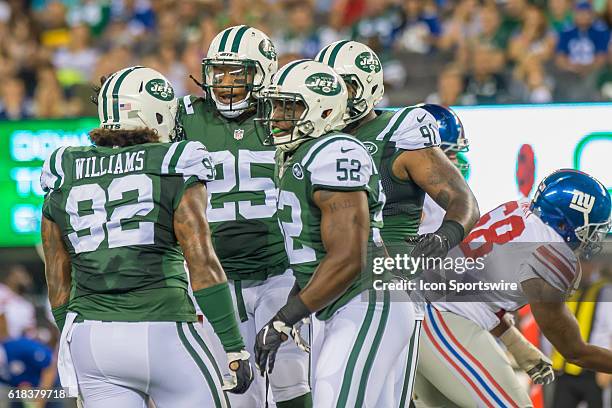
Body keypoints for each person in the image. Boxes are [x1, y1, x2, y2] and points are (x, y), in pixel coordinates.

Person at [40, 66, 252, 408]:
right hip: (161, 328)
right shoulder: (174, 160)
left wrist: (71, 340)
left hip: (91, 341)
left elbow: (57, 279)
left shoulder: (63, 166)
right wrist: (232, 345)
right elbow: (201, 261)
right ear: (154, 112)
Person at [315, 41, 480, 406]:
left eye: (347, 87)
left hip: (384, 288)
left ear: (370, 85)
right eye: (330, 87)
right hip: (318, 287)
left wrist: (444, 236)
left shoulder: (400, 132)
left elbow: (462, 199)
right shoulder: (309, 134)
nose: (339, 98)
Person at [253, 59, 415, 407]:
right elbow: (311, 256)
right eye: (275, 105)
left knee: (331, 397)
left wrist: (285, 318)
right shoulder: (301, 154)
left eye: (289, 106)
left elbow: (348, 254)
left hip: (367, 300)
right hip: (344, 306)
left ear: (323, 110)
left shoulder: (335, 151)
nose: (278, 116)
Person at [177, 26, 312, 408]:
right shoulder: (185, 117)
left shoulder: (286, 111)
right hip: (213, 277)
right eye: (218, 72)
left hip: (279, 270)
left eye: (238, 72)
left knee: (289, 376)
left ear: (265, 72)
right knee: (236, 392)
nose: (225, 83)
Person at [414, 169, 612, 407]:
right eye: (591, 229)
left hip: (431, 312)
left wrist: (514, 341)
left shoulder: (520, 209)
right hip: (442, 320)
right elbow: (574, 351)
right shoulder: (550, 254)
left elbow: (482, 291)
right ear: (564, 222)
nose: (593, 238)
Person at [415, 105, 555, 407]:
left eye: (457, 154)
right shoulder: (411, 201)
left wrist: (513, 340)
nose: (457, 164)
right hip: (415, 317)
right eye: (447, 155)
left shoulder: (448, 201)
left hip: (425, 317)